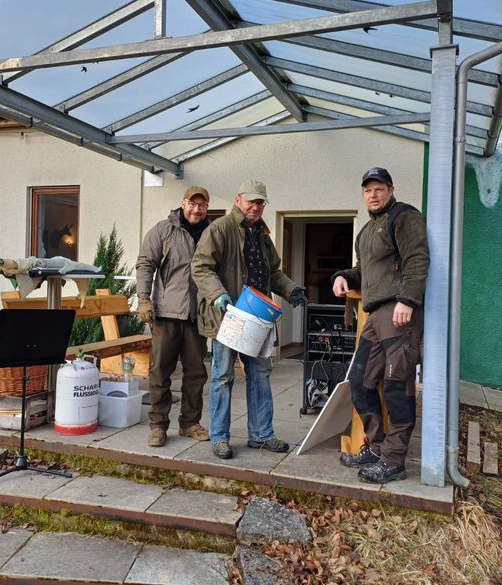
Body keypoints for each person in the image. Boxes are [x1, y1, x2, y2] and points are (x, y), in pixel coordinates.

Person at [191, 179, 307, 460]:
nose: (255, 206)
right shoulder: (220, 228)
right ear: (238, 200)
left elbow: (273, 272)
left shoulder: (262, 234)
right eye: (251, 201)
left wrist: (291, 290)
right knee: (222, 376)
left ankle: (262, 434)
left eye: (260, 202)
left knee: (260, 374)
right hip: (228, 316)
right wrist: (217, 293)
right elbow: (201, 266)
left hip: (258, 317)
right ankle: (220, 437)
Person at [332, 167, 429, 484]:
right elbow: (364, 271)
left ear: (391, 189)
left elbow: (417, 259)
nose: (372, 195)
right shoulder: (366, 232)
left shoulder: (404, 216)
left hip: (399, 313)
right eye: (367, 190)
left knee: (397, 387)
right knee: (360, 381)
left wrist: (408, 299)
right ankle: (375, 447)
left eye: (379, 189)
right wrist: (343, 276)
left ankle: (394, 461)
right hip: (374, 316)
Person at [135, 186, 211, 447]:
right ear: (183, 203)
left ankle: (190, 423)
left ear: (207, 208)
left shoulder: (212, 233)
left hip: (197, 315)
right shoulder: (163, 230)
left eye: (202, 205)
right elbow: (145, 263)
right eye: (192, 204)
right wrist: (143, 299)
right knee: (160, 372)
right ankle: (158, 426)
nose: (196, 210)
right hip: (166, 313)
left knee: (196, 373)